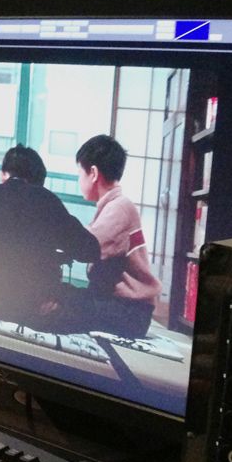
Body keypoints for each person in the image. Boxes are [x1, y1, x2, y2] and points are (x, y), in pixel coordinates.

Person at [0, 144, 99, 329]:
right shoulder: (46, 200)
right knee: (88, 302)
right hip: (38, 306)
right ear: (38, 178)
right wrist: (56, 254)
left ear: (7, 172)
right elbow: (90, 250)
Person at [70, 133, 163, 338]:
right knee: (65, 296)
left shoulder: (120, 208)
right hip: (123, 307)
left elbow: (86, 245)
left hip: (128, 311)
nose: (79, 180)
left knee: (61, 304)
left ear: (93, 173)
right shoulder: (114, 206)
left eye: (80, 173)